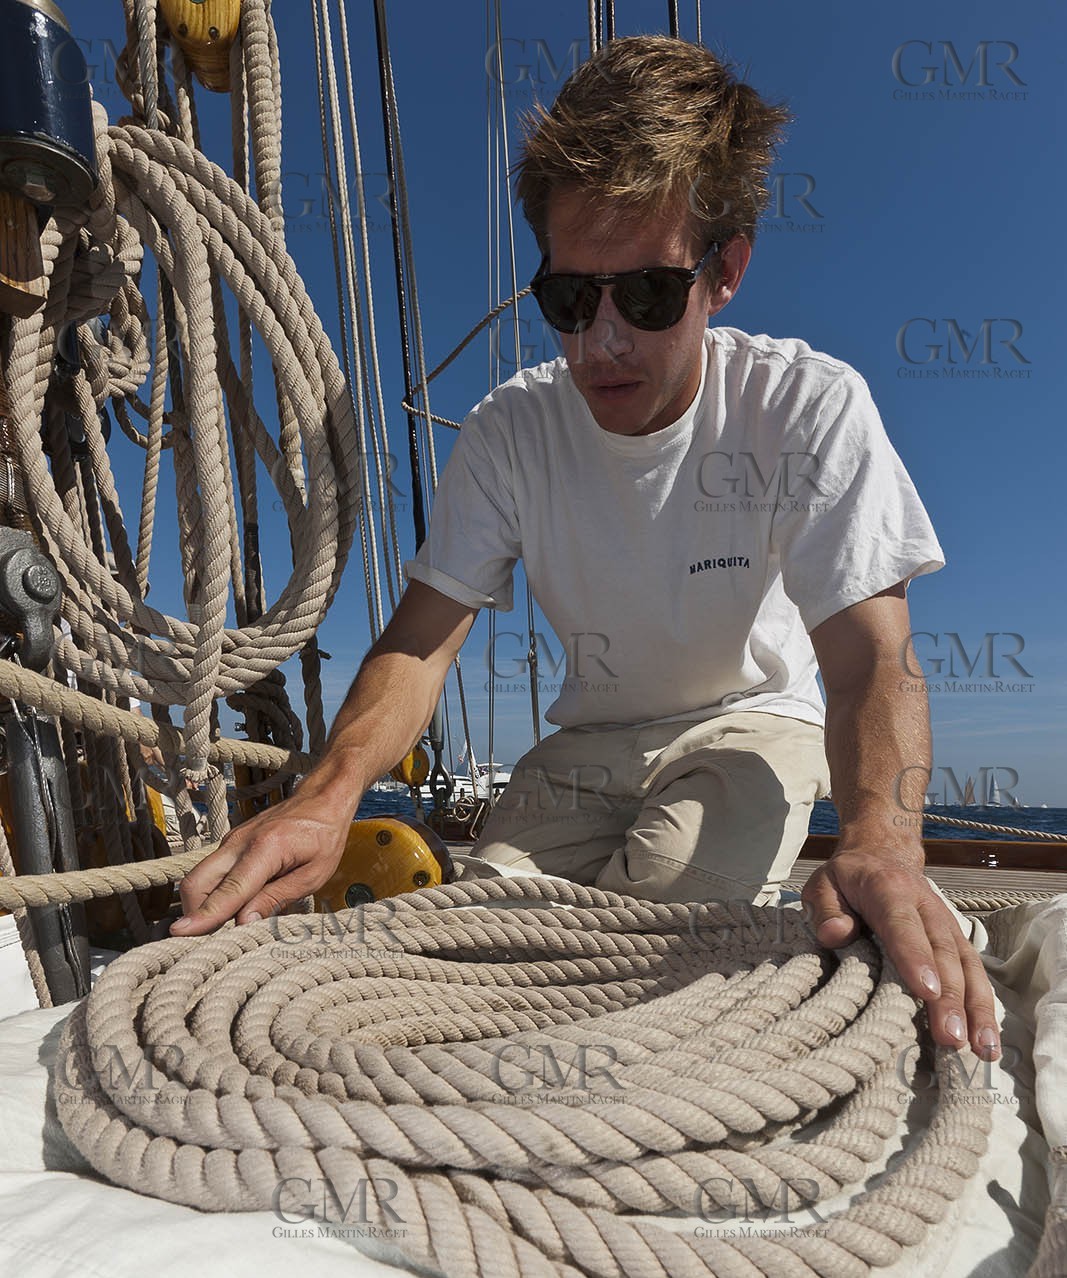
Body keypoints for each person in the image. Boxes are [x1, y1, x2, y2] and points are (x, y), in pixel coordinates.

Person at [172, 36, 999, 1063]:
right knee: (477, 944)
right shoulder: (507, 431)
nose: (599, 342)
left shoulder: (803, 407)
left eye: (645, 296)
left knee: (654, 937)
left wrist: (880, 842)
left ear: (725, 270)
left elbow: (868, 657)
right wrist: (326, 796)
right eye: (569, 299)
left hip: (750, 724)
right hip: (588, 743)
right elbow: (421, 640)